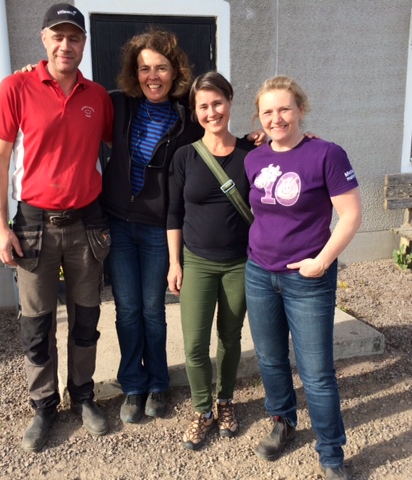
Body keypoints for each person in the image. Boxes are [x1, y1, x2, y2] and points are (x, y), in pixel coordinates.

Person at [0, 3, 114, 453]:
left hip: (87, 225)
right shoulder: (16, 87)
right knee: (36, 323)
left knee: (86, 319)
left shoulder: (98, 97)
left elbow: (130, 142)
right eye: (58, 36)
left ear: (83, 43)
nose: (66, 45)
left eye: (74, 37)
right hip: (34, 225)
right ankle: (43, 405)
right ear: (44, 39)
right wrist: (1, 227)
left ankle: (82, 395)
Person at [244, 75, 362, 480]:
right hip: (259, 272)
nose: (277, 118)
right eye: (268, 111)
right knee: (271, 358)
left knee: (316, 372)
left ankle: (331, 454)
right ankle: (283, 421)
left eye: (284, 109)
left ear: (300, 109)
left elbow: (351, 216)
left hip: (308, 278)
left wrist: (323, 261)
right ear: (259, 118)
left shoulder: (326, 154)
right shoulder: (253, 157)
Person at [100, 29, 204, 424]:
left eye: (161, 67)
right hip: (119, 223)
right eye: (144, 68)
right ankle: (133, 385)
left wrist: (260, 139)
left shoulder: (189, 116)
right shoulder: (118, 105)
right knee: (126, 309)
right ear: (134, 72)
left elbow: (222, 140)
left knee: (152, 309)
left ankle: (158, 382)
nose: (153, 76)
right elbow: (72, 105)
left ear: (175, 71)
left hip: (159, 228)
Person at [166, 72, 253, 450]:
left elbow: (291, 157)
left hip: (240, 263)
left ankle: (226, 401)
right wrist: (174, 262)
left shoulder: (253, 152)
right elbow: (173, 214)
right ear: (195, 111)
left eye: (217, 102)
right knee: (195, 345)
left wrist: (310, 137)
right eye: (203, 106)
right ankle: (202, 410)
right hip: (197, 261)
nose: (211, 111)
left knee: (230, 339)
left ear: (230, 102)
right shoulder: (185, 156)